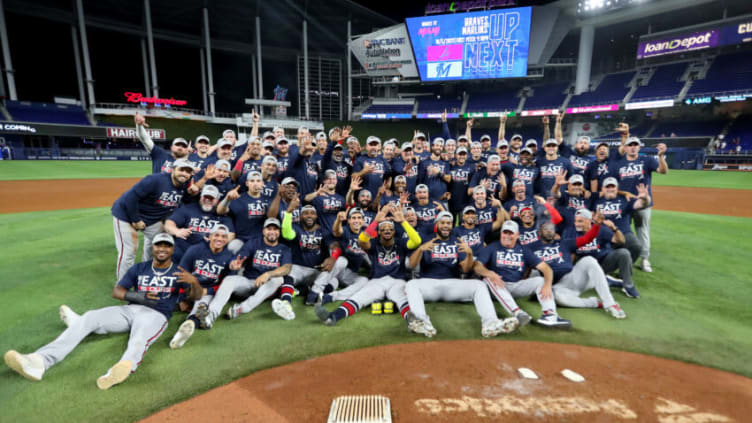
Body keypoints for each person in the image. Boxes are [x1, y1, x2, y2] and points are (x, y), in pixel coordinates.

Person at [4, 233, 203, 389]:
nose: (162, 249)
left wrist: (193, 282)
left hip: (156, 315)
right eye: (159, 245)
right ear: (153, 247)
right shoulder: (140, 268)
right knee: (90, 317)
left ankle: (121, 368)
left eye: (166, 246)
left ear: (172, 249)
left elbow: (196, 297)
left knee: (139, 338)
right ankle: (39, 362)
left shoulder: (179, 273)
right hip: (130, 310)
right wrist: (137, 297)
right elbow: (117, 291)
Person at [405, 212, 519, 338]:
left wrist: (469, 254)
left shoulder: (456, 241)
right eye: (442, 223)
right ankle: (422, 323)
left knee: (479, 285)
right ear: (436, 224)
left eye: (449, 223)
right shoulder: (426, 239)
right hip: (429, 283)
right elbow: (411, 265)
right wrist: (421, 249)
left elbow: (466, 269)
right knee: (411, 284)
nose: (446, 226)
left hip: (453, 284)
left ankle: (490, 323)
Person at [314, 205, 421, 326]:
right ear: (378, 232)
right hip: (376, 281)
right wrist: (375, 221)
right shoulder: (375, 243)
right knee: (358, 298)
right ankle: (332, 317)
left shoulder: (400, 243)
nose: (387, 230)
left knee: (402, 299)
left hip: (397, 280)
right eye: (383, 228)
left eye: (390, 228)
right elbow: (362, 240)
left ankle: (414, 322)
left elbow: (417, 241)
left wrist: (403, 221)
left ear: (394, 231)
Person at [111, 158, 199, 281]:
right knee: (129, 252)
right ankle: (122, 286)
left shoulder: (184, 186)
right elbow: (129, 198)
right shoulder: (154, 180)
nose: (184, 173)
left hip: (151, 220)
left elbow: (184, 202)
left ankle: (146, 272)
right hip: (126, 215)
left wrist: (191, 194)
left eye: (188, 171)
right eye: (181, 170)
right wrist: (135, 219)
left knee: (163, 244)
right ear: (173, 170)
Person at [474, 220, 572, 328]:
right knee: (488, 279)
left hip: (516, 286)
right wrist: (490, 273)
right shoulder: (492, 247)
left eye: (511, 233)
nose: (507, 236)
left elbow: (546, 268)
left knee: (541, 280)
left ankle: (549, 315)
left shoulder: (523, 250)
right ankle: (517, 313)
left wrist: (547, 285)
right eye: (504, 232)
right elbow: (477, 266)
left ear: (517, 235)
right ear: (501, 233)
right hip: (496, 287)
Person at [199, 218, 292, 327]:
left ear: (279, 232)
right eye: (269, 229)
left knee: (278, 279)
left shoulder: (284, 249)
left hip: (267, 288)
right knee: (229, 279)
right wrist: (234, 263)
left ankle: (242, 308)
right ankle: (210, 316)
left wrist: (268, 274)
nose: (272, 232)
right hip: (249, 282)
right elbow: (241, 255)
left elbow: (287, 268)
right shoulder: (254, 243)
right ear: (263, 231)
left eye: (275, 229)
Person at [527, 217, 627, 319]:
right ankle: (595, 303)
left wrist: (596, 225)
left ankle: (610, 304)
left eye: (551, 229)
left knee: (589, 260)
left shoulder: (564, 243)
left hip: (573, 277)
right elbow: (526, 268)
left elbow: (587, 238)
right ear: (539, 232)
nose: (549, 231)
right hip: (557, 286)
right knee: (557, 298)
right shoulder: (531, 248)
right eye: (546, 229)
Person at [168, 225, 240, 349]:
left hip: (208, 292)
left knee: (201, 306)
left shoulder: (229, 257)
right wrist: (184, 296)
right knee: (166, 301)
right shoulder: (195, 250)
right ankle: (189, 318)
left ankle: (187, 326)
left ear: (227, 240)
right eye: (216, 235)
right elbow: (182, 273)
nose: (219, 239)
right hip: (190, 287)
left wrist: (208, 291)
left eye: (223, 236)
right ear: (209, 236)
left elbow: (225, 285)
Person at [614, 135, 668, 273]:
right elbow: (612, 185)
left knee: (642, 230)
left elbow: (663, 171)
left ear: (639, 147)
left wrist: (661, 156)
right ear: (625, 148)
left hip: (642, 203)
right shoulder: (618, 163)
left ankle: (644, 258)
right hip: (623, 203)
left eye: (635, 145)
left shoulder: (647, 160)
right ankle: (622, 256)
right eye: (630, 145)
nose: (632, 147)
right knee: (621, 229)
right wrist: (623, 194)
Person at [306, 208, 370, 305]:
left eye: (359, 218)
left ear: (363, 220)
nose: (356, 220)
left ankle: (330, 297)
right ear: (349, 221)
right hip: (336, 269)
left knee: (364, 281)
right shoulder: (346, 230)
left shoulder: (365, 235)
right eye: (353, 218)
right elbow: (337, 231)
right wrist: (339, 220)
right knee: (342, 260)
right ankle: (314, 292)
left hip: (348, 274)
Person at [575, 207, 642, 299]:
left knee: (624, 253)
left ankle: (628, 285)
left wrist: (614, 229)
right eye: (576, 221)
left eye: (580, 221)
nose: (577, 224)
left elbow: (621, 241)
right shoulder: (571, 232)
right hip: (586, 269)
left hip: (604, 263)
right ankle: (605, 280)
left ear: (589, 221)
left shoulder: (601, 229)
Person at [163, 185, 235, 262]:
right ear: (200, 197)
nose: (207, 200)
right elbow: (169, 223)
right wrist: (177, 231)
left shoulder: (222, 214)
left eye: (211, 198)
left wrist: (217, 241)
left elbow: (231, 234)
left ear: (217, 200)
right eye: (205, 197)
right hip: (183, 249)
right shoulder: (188, 209)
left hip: (208, 253)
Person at [592, 177, 651, 268]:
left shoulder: (625, 199)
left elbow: (641, 204)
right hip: (603, 235)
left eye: (613, 187)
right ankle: (606, 269)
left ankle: (625, 269)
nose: (610, 189)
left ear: (617, 188)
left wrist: (645, 199)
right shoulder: (596, 200)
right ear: (602, 188)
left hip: (624, 233)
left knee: (636, 246)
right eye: (607, 187)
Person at [219, 171, 275, 252]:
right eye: (252, 181)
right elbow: (220, 211)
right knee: (232, 247)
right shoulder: (238, 198)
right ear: (247, 183)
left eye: (258, 181)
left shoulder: (268, 200)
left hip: (261, 241)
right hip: (241, 240)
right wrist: (227, 199)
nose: (255, 183)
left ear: (262, 183)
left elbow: (273, 217)